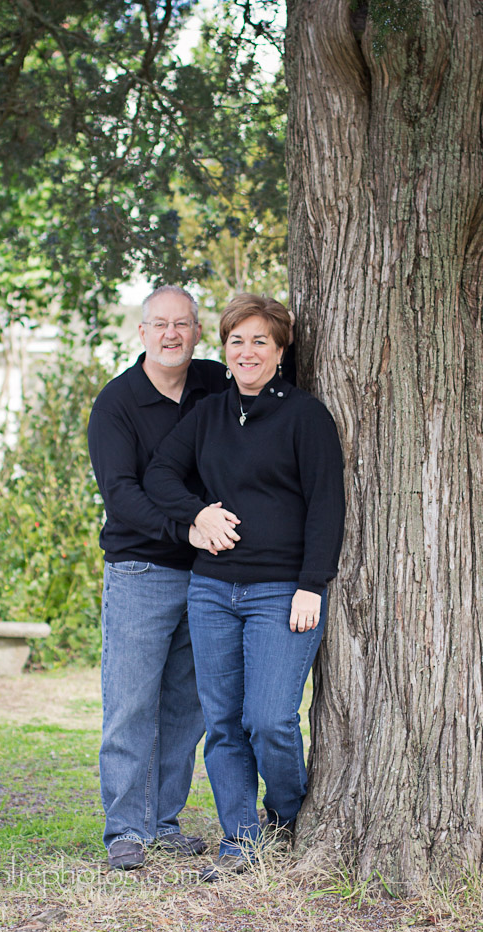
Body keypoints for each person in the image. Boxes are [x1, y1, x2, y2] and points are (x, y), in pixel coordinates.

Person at [144, 293, 345, 881]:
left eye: (260, 340)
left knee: (269, 719)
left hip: (282, 591)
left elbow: (326, 505)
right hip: (210, 590)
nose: (247, 351)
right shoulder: (207, 414)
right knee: (224, 722)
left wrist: (312, 583)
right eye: (237, 340)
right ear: (224, 349)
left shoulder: (306, 417)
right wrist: (196, 515)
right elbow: (159, 473)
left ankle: (286, 813)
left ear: (280, 351)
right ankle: (241, 840)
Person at [87, 284, 231, 871]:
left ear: (197, 332)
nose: (171, 335)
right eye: (159, 325)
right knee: (129, 704)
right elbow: (121, 496)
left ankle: (162, 820)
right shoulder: (116, 404)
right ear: (141, 332)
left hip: (207, 574)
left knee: (184, 707)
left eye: (183, 324)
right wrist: (186, 531)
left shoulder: (215, 384)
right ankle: (124, 827)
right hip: (141, 569)